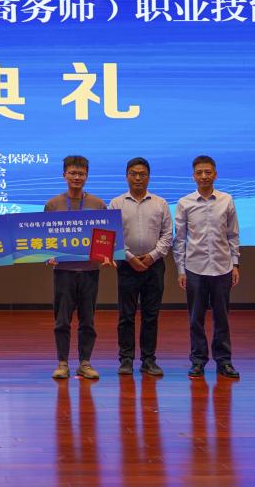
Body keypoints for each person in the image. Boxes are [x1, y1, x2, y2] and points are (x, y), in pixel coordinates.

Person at [173, 155, 241, 380]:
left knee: (222, 318)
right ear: (193, 176)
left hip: (222, 267)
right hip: (195, 268)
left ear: (215, 175)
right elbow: (179, 239)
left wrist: (235, 264)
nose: (204, 176)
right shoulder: (184, 203)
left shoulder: (226, 200)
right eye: (199, 172)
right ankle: (198, 361)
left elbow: (233, 234)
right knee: (196, 319)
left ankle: (224, 361)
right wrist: (180, 270)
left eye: (208, 172)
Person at [44, 155, 107, 380]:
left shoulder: (98, 205)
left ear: (87, 176)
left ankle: (85, 363)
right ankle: (62, 363)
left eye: (81, 174)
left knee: (87, 320)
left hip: (90, 271)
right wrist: (48, 257)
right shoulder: (53, 205)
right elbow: (43, 238)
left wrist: (106, 255)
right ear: (64, 175)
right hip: (63, 271)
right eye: (72, 173)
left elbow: (106, 236)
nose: (77, 177)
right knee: (62, 320)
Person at [108, 157, 172, 377]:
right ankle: (126, 360)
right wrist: (129, 257)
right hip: (127, 266)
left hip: (154, 267)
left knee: (150, 315)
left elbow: (167, 235)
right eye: (133, 174)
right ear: (126, 176)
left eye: (142, 174)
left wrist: (151, 257)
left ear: (148, 177)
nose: (138, 178)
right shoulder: (116, 203)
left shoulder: (160, 203)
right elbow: (111, 236)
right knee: (126, 315)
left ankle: (148, 360)